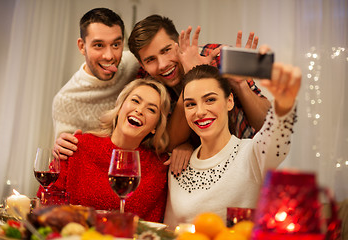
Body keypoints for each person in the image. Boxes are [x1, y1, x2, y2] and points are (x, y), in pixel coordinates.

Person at [163, 56, 301, 229]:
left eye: (210, 100)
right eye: (190, 104)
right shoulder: (179, 165)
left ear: (229, 102)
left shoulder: (252, 154)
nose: (200, 112)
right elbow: (169, 230)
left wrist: (284, 101)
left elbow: (279, 135)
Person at [128, 15, 271, 173]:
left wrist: (240, 85)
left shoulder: (217, 56)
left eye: (166, 50)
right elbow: (167, 142)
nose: (162, 65)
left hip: (247, 162)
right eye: (150, 60)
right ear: (142, 64)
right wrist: (192, 78)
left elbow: (268, 123)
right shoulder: (146, 81)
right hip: (198, 170)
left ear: (179, 44)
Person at [40, 79, 171, 223]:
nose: (139, 110)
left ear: (156, 126)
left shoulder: (159, 167)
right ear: (120, 106)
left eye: (151, 109)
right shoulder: (77, 146)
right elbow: (45, 200)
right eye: (135, 101)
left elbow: (151, 228)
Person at [52, 8, 140, 141]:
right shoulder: (66, 100)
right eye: (99, 45)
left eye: (116, 44)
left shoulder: (134, 63)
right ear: (82, 46)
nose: (109, 56)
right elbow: (66, 156)